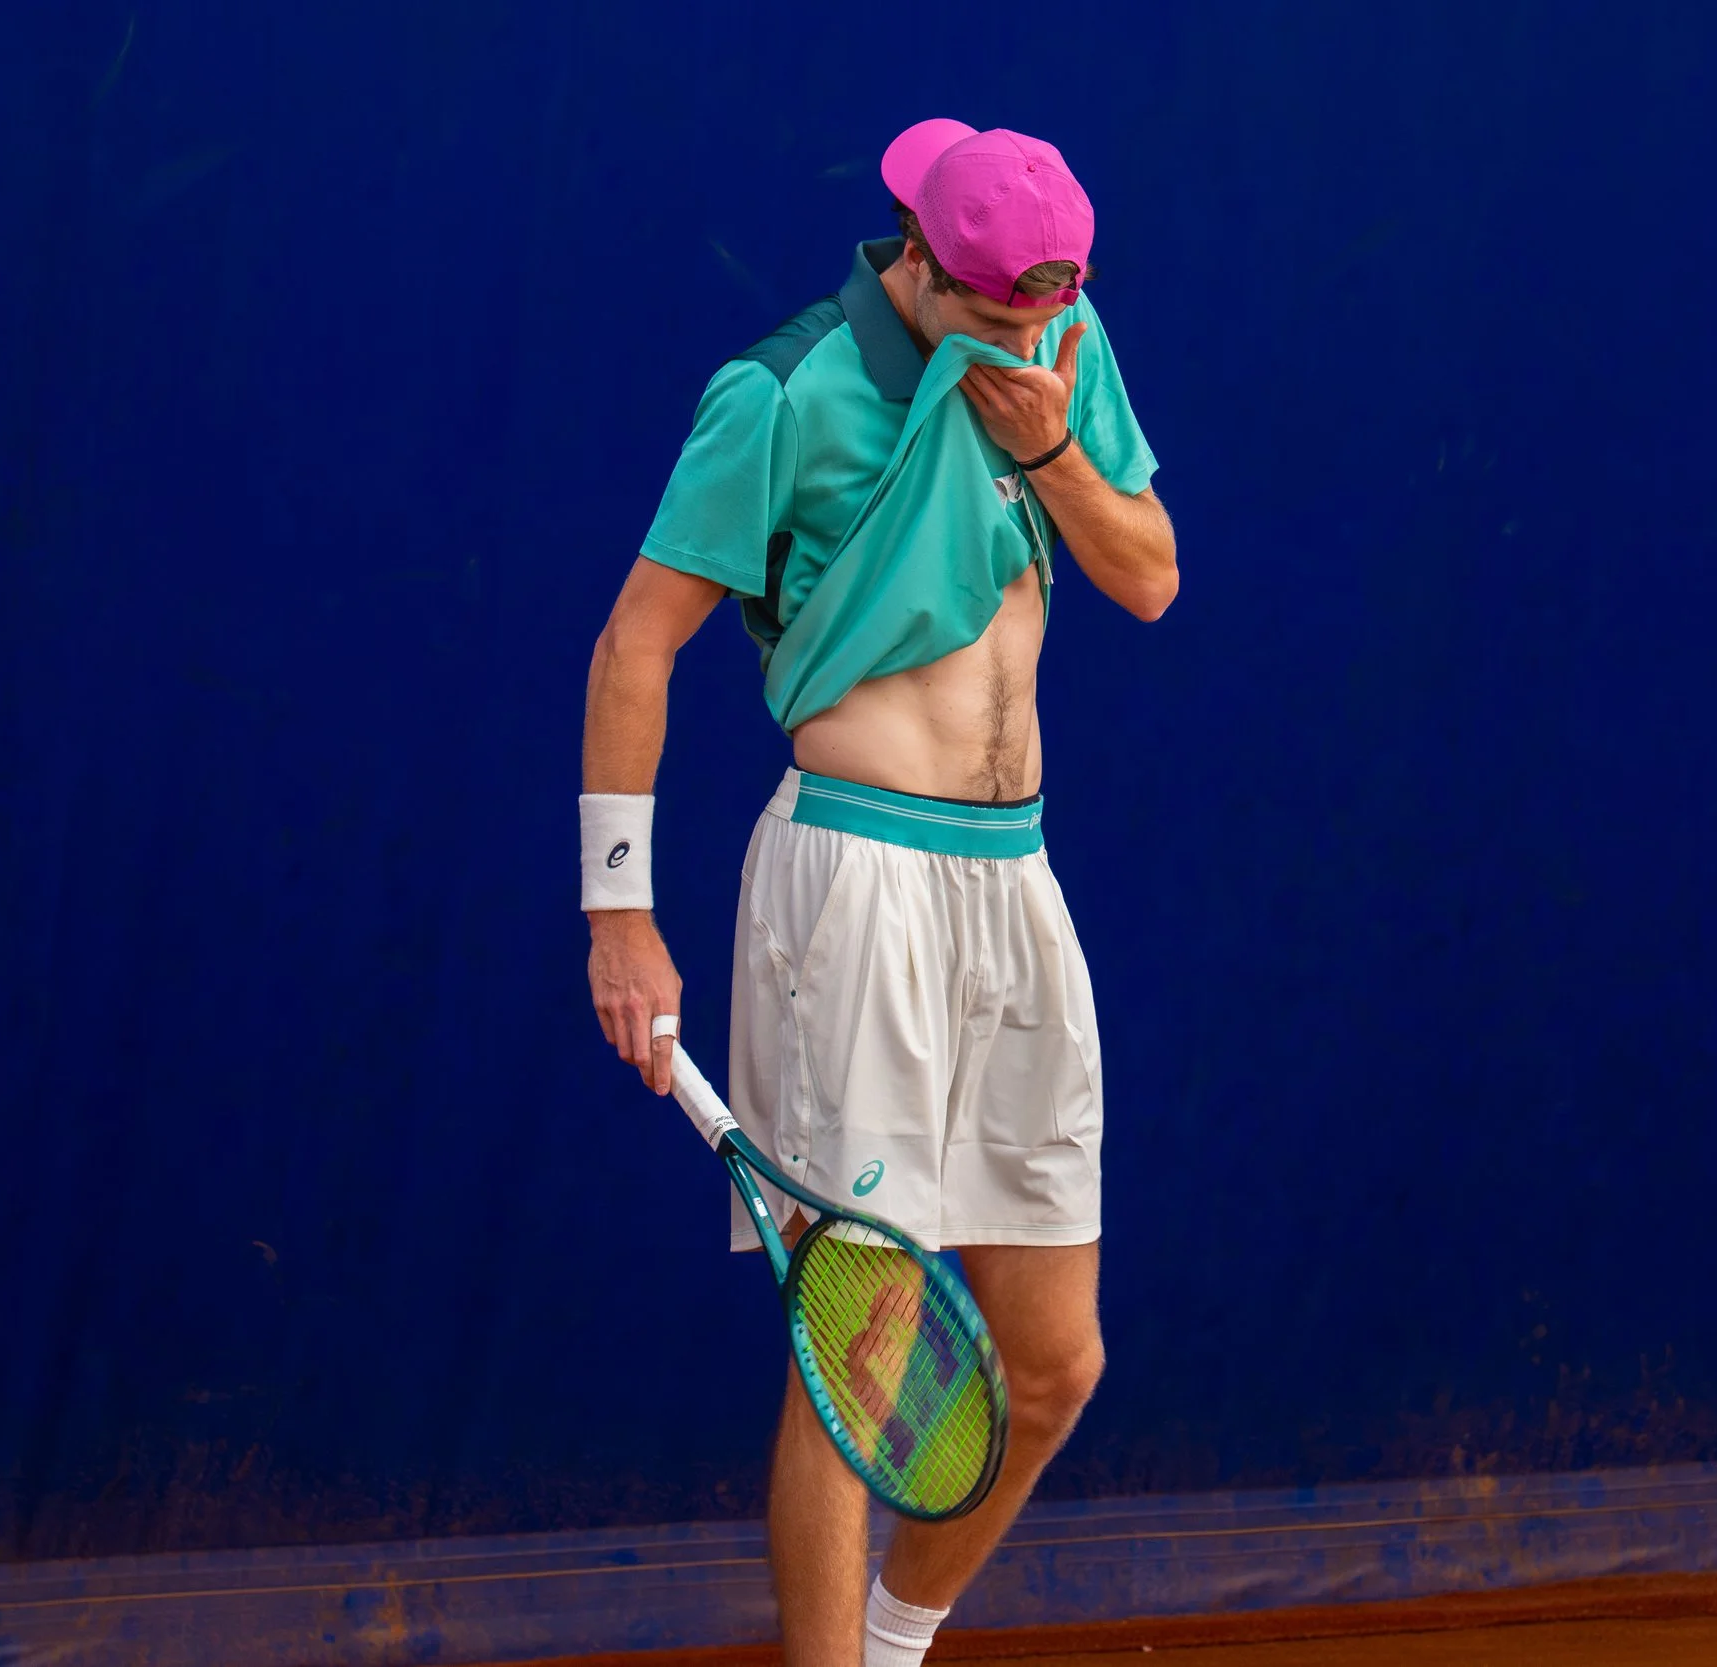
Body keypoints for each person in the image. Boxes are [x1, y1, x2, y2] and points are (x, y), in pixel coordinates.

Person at [578, 118, 1177, 1664]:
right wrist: (620, 913)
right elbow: (637, 642)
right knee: (867, 1351)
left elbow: (1152, 572)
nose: (1029, 336)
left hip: (1015, 888)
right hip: (850, 887)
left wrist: (1046, 434)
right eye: (998, 313)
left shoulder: (1058, 343)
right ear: (916, 261)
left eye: (1051, 310)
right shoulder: (777, 395)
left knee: (1052, 1366)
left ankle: (897, 1641)